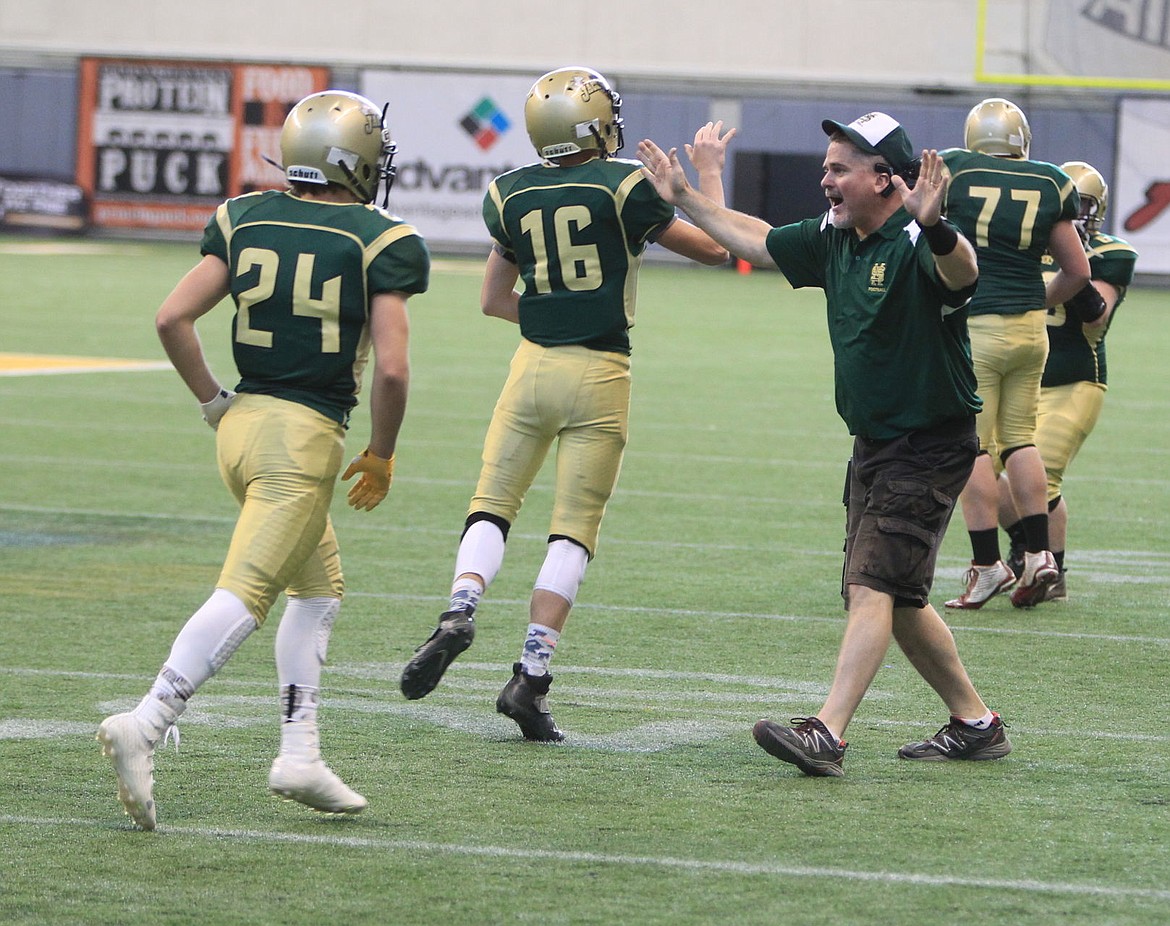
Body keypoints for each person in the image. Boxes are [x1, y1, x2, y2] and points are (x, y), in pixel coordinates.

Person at [638, 111, 1011, 777]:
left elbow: (962, 273)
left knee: (873, 586)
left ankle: (827, 735)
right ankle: (975, 722)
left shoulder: (915, 238)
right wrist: (690, 195)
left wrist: (934, 222)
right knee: (889, 596)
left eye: (840, 168)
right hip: (876, 441)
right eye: (827, 166)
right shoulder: (838, 235)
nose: (825, 178)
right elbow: (755, 240)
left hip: (927, 441)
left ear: (885, 180)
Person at [97, 90, 429, 829]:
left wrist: (214, 402)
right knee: (245, 594)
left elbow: (171, 317)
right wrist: (381, 451)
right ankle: (147, 719)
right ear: (356, 159)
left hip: (241, 427)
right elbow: (395, 370)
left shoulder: (245, 215)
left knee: (319, 589)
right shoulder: (379, 237)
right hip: (302, 441)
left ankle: (300, 753)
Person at [398, 67, 731, 740]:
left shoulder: (508, 192)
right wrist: (708, 174)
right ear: (595, 125)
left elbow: (493, 300)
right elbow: (719, 249)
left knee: (492, 505)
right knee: (573, 529)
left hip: (530, 369)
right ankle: (530, 677)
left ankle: (459, 609)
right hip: (601, 371)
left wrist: (551, 316)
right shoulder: (623, 186)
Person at [940, 98, 1091, 610]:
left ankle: (986, 564)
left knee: (972, 449)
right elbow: (1077, 272)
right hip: (1032, 332)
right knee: (1021, 441)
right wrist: (1032, 302)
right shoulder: (1050, 181)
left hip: (978, 326)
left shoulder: (954, 169)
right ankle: (1040, 555)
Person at [998, 160, 1138, 601]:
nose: (1076, 214)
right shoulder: (1021, 244)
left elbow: (1098, 321)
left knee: (1044, 475)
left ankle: (1050, 572)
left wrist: (1071, 260)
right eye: (1069, 206)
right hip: (1019, 375)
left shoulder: (1112, 253)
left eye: (1084, 206)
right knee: (984, 471)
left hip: (1074, 380)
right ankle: (1028, 544)